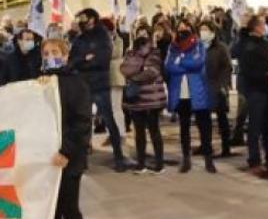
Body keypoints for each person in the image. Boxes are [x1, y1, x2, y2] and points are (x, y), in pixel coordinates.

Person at [42, 38, 92, 219]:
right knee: (50, 213)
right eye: (47, 52)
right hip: (46, 160)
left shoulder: (75, 83)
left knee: (69, 211)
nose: (51, 56)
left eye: (55, 52)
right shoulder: (39, 83)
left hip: (68, 159)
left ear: (65, 55)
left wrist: (67, 152)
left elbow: (82, 122)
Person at [68, 9, 129, 172]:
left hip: (99, 85)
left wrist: (85, 61)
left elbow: (102, 60)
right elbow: (72, 61)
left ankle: (119, 157)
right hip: (83, 85)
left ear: (92, 19)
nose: (82, 21)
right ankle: (83, 159)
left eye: (84, 18)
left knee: (109, 120)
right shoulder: (79, 39)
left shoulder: (102, 36)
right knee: (84, 123)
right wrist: (84, 59)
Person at [165, 21, 215, 174]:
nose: (182, 31)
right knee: (184, 127)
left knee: (204, 127)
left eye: (185, 28)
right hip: (181, 93)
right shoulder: (172, 47)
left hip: (197, 91)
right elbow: (168, 65)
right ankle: (186, 158)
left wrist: (180, 61)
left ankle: (208, 158)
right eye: (180, 28)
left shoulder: (199, 45)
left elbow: (198, 63)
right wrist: (184, 63)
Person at [235, 14, 268, 177]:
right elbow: (248, 70)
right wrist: (267, 76)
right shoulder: (248, 46)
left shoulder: (265, 43)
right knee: (255, 128)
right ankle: (254, 160)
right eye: (262, 24)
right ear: (256, 27)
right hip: (255, 90)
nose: (265, 27)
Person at [120, 32, 167, 173]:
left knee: (154, 131)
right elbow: (124, 69)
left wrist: (134, 76)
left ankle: (159, 164)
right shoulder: (131, 54)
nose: (142, 49)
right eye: (140, 47)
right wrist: (140, 68)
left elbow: (151, 72)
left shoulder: (155, 55)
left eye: (144, 45)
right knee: (139, 132)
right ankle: (141, 164)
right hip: (136, 101)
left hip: (152, 100)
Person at [200, 21, 233, 159]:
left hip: (217, 86)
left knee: (221, 118)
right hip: (202, 87)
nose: (203, 32)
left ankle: (226, 147)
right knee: (203, 119)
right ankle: (206, 146)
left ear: (212, 32)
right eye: (201, 29)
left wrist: (223, 85)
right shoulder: (198, 47)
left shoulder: (220, 48)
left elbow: (227, 68)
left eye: (206, 29)